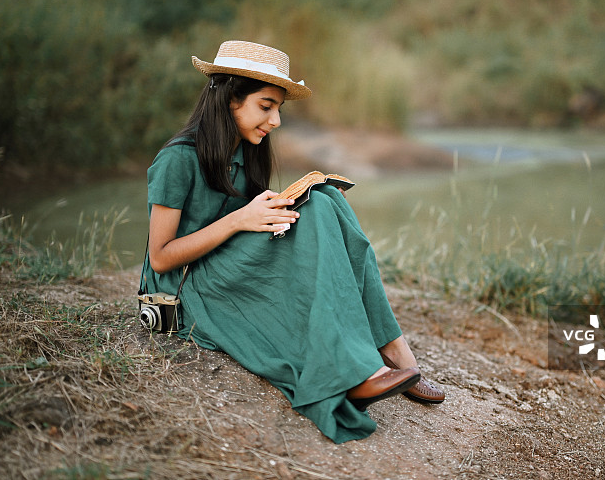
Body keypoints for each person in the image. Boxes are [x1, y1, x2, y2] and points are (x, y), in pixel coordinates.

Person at [142, 40, 445, 443]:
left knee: (324, 200)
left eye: (278, 109)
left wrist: (271, 213)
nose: (276, 121)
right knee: (319, 207)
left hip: (224, 261)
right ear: (230, 99)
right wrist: (239, 220)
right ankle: (358, 368)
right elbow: (160, 259)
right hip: (183, 285)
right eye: (266, 106)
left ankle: (394, 350)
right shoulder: (177, 159)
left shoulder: (244, 151)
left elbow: (247, 223)